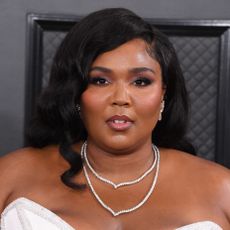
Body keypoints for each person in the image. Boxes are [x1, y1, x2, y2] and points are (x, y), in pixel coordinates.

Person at [0, 8, 230, 230]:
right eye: (101, 80)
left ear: (163, 95)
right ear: (76, 94)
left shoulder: (222, 188)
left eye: (141, 81)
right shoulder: (11, 174)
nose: (121, 99)